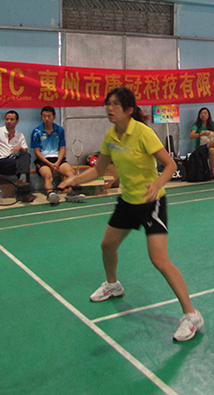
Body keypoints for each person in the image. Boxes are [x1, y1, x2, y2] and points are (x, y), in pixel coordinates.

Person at [59, 87, 204, 341]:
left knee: (159, 260)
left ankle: (192, 315)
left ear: (128, 110)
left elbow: (170, 164)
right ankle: (113, 285)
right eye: (107, 103)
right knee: (107, 246)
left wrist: (156, 185)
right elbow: (99, 170)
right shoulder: (111, 136)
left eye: (115, 104)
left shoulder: (143, 133)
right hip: (127, 202)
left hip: (151, 202)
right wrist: (74, 180)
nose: (109, 108)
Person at [30, 106, 83, 205]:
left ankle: (71, 193)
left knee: (71, 172)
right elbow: (37, 152)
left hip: (58, 159)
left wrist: (58, 162)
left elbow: (62, 148)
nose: (46, 118)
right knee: (48, 175)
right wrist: (50, 164)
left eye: (49, 116)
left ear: (54, 117)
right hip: (43, 160)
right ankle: (51, 195)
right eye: (44, 116)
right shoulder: (36, 132)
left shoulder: (60, 130)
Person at [0, 111, 31, 184]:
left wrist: (20, 148)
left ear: (17, 122)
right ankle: (23, 182)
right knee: (24, 166)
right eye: (7, 119)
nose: (9, 121)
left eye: (11, 119)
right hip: (1, 162)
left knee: (26, 156)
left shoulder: (20, 135)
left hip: (13, 162)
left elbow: (25, 150)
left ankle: (22, 179)